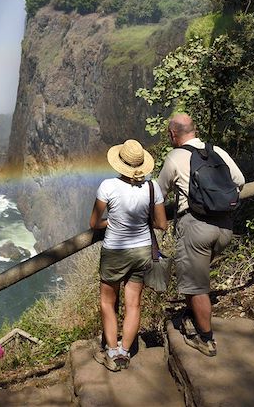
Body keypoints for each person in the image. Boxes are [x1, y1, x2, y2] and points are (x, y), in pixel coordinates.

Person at [157, 113, 245, 357]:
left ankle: (205, 339)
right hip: (224, 228)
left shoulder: (175, 157)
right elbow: (239, 181)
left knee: (196, 286)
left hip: (195, 227)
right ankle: (193, 315)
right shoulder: (217, 151)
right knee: (194, 276)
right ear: (194, 130)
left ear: (173, 134)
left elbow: (158, 194)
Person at [89, 139, 167, 371]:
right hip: (142, 251)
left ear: (120, 163)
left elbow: (94, 223)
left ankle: (112, 350)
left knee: (107, 301)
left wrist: (110, 222)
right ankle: (125, 352)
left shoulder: (108, 186)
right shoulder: (152, 187)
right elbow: (162, 223)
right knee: (134, 304)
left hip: (115, 251)